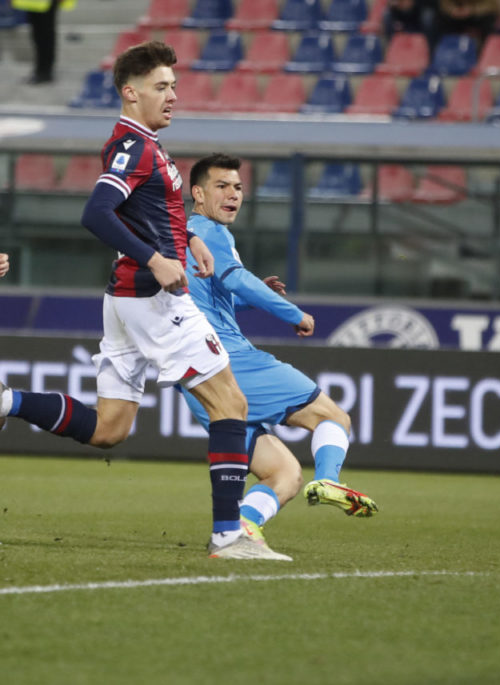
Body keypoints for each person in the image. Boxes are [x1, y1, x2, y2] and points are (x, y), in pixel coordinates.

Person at [0, 41, 286, 561]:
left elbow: (150, 210)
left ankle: (7, 402)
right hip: (152, 297)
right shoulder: (133, 146)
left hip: (125, 300)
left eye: (174, 85)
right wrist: (156, 259)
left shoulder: (147, 144)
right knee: (231, 404)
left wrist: (188, 241)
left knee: (110, 429)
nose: (173, 95)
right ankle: (229, 534)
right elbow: (97, 212)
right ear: (130, 93)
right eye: (161, 86)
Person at [179, 153, 378, 547]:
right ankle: (330, 481)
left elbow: (218, 299)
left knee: (284, 475)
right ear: (198, 194)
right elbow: (237, 280)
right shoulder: (206, 231)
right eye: (222, 186)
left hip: (199, 376)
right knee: (333, 417)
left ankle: (239, 530)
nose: (233, 194)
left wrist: (257, 298)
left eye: (237, 187)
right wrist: (293, 313)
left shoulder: (187, 237)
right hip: (231, 361)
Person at [13, 0, 75, 85]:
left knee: (45, 34)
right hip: (36, 3)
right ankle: (40, 70)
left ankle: (45, 72)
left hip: (46, 3)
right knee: (38, 34)